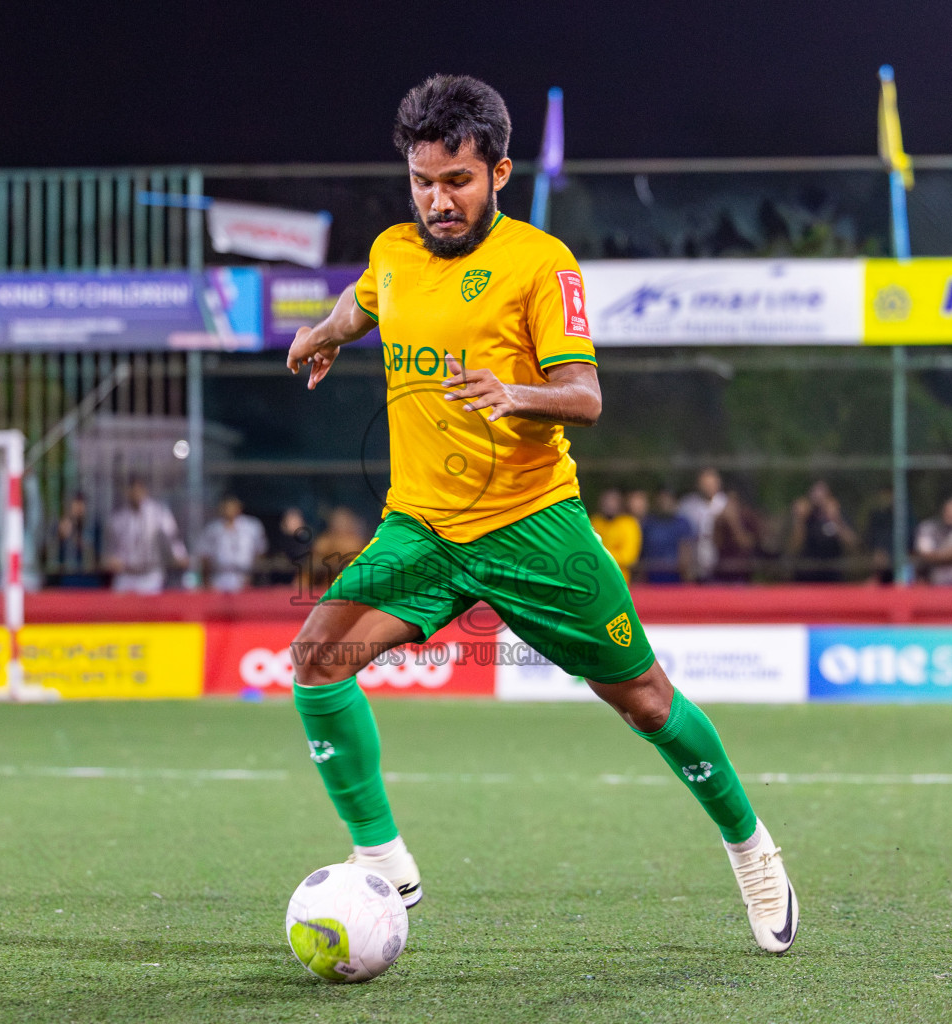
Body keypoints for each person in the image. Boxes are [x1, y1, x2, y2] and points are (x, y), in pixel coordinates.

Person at [283, 75, 797, 953]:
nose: (438, 200)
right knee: (317, 660)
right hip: (424, 530)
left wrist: (514, 392)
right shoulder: (393, 251)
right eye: (423, 182)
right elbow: (365, 298)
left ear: (500, 173)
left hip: (533, 527)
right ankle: (385, 859)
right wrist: (327, 333)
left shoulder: (542, 262)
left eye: (457, 181)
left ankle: (752, 849)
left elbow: (586, 397)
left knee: (645, 701)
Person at [103, 475, 189, 595]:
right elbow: (111, 548)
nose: (135, 493)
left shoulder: (158, 513)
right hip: (125, 574)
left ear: (144, 490)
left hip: (150, 574)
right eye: (132, 489)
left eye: (139, 489)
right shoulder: (118, 518)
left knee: (149, 611)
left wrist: (179, 555)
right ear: (126, 492)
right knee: (120, 610)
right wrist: (111, 559)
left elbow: (172, 537)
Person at [195, 495, 268, 594]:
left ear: (239, 508)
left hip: (244, 578)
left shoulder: (252, 526)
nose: (229, 510)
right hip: (218, 579)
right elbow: (205, 556)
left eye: (232, 507)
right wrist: (206, 582)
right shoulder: (212, 529)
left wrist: (253, 577)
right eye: (226, 507)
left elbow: (259, 552)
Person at [788, 480, 857, 583]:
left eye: (823, 495)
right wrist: (800, 520)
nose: (820, 499)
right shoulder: (805, 517)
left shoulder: (838, 515)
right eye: (816, 495)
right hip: (806, 575)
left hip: (833, 575)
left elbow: (853, 544)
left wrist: (836, 519)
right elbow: (793, 548)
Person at [678, 468, 728, 580]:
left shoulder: (726, 504)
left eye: (712, 483)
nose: (709, 487)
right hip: (694, 565)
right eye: (705, 484)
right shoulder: (687, 505)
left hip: (721, 566)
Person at [639, 489, 696, 584]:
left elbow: (687, 551)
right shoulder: (649, 524)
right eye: (662, 499)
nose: (665, 503)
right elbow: (642, 551)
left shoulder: (682, 523)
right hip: (651, 579)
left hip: (676, 579)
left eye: (668, 499)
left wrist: (688, 579)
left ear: (674, 501)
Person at [309, 507, 371, 592]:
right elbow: (313, 564)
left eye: (344, 521)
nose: (341, 525)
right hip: (325, 588)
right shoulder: (324, 542)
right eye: (338, 522)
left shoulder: (359, 544)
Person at [50, 493, 103, 587]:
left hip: (90, 580)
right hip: (66, 580)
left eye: (81, 505)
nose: (79, 509)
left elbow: (98, 556)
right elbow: (49, 555)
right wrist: (60, 536)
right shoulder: (60, 526)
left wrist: (74, 537)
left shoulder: (94, 527)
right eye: (76, 505)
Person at [589, 487, 641, 581]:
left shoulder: (629, 523)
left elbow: (629, 557)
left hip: (620, 581)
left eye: (613, 500)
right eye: (606, 500)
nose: (609, 504)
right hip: (596, 579)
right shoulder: (595, 522)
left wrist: (601, 555)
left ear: (620, 503)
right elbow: (588, 550)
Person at [712, 489, 762, 583]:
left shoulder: (749, 518)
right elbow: (716, 544)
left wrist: (734, 523)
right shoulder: (721, 521)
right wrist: (717, 524)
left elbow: (747, 544)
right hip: (721, 571)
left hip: (742, 572)